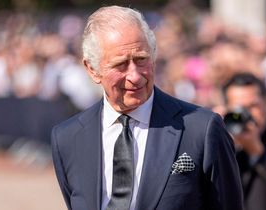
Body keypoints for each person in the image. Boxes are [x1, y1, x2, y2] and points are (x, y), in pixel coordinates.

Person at [51, 6, 243, 210]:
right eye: (121, 64)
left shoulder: (201, 129)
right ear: (92, 69)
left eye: (141, 59)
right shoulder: (67, 139)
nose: (135, 75)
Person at [221, 72, 266, 210]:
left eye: (253, 106)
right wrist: (223, 143)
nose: (247, 115)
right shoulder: (222, 142)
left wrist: (258, 153)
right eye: (239, 108)